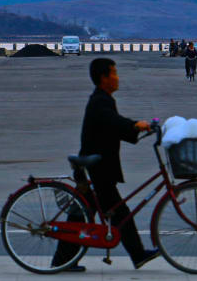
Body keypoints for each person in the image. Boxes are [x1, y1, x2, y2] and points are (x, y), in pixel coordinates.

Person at [52, 59, 159, 272]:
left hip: (96, 167)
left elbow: (114, 126)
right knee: (115, 212)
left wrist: (135, 129)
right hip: (97, 168)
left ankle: (62, 260)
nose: (117, 77)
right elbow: (115, 122)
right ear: (104, 78)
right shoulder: (101, 101)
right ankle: (137, 255)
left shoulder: (102, 99)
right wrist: (136, 125)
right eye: (114, 73)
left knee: (86, 212)